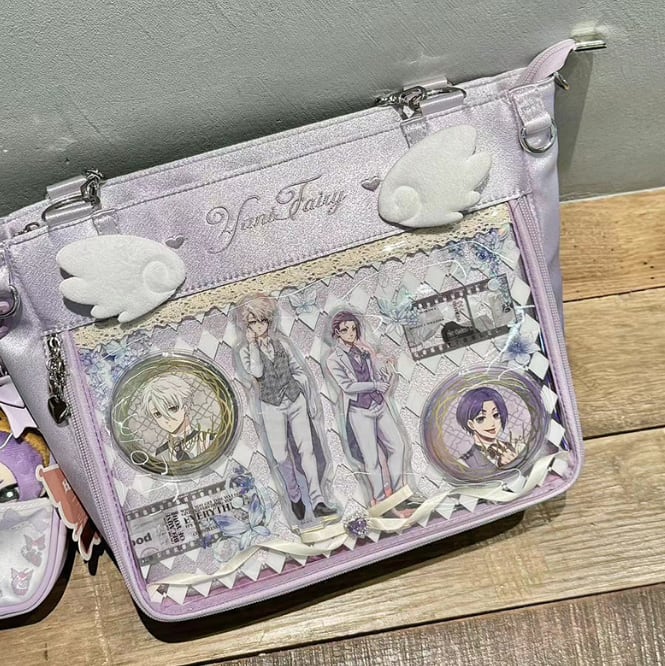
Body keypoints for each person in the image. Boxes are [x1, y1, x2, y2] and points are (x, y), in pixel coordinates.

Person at [236, 294, 337, 523]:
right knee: (280, 455)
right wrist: (252, 344)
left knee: (307, 450)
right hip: (271, 405)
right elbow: (257, 372)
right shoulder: (245, 350)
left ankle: (318, 500)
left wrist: (307, 396)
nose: (259, 326)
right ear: (246, 325)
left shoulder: (282, 343)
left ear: (269, 321)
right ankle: (294, 496)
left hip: (294, 399)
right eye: (253, 322)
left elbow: (297, 369)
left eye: (262, 321)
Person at [326, 311, 418, 515]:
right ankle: (381, 501)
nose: (351, 333)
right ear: (337, 332)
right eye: (345, 330)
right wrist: (375, 384)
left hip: (379, 404)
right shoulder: (333, 359)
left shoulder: (364, 349)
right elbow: (347, 386)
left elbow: (378, 372)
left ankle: (399, 493)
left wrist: (386, 366)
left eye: (353, 328)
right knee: (371, 459)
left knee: (398, 446)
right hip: (359, 411)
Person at [140, 374, 213, 463]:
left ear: (185, 406)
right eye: (157, 414)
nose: (166, 419)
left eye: (172, 409)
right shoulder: (158, 455)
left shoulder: (210, 440)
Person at [455, 387, 525, 468]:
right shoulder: (464, 463)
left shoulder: (517, 448)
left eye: (496, 415)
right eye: (481, 418)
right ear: (471, 424)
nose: (491, 423)